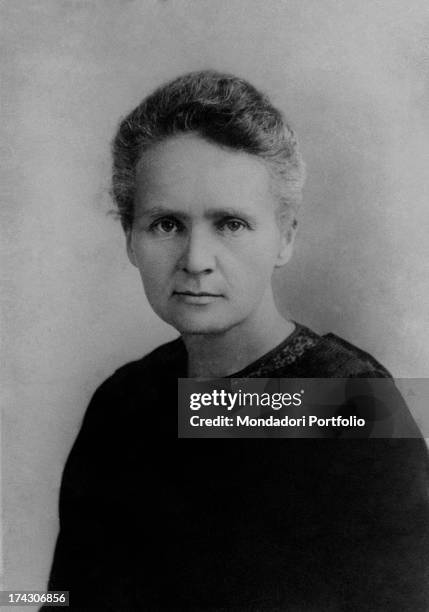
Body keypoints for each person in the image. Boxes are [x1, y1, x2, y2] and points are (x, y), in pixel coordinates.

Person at [43, 71, 429, 610]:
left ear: (286, 236)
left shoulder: (353, 408)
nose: (196, 260)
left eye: (230, 224)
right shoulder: (124, 403)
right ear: (129, 237)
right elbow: (64, 603)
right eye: (167, 224)